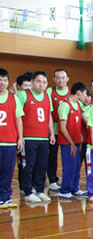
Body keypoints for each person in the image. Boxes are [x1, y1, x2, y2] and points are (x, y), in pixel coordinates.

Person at [17, 71, 55, 203]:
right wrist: (20, 137)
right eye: (38, 81)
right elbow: (18, 117)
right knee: (28, 166)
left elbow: (49, 115)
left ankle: (39, 190)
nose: (41, 85)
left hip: (43, 138)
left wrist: (51, 133)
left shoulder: (47, 96)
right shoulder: (23, 95)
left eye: (44, 82)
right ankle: (27, 191)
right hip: (28, 138)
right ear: (32, 82)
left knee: (42, 165)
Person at [57, 82, 90, 199]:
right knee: (69, 167)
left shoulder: (78, 106)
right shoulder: (65, 105)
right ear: (78, 92)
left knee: (76, 167)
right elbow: (62, 127)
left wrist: (79, 137)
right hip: (67, 143)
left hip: (76, 142)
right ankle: (65, 191)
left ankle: (74, 188)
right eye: (85, 94)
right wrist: (71, 143)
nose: (86, 97)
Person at [0, 68, 24, 209]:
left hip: (9, 141)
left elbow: (18, 119)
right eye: (0, 80)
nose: (2, 83)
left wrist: (20, 138)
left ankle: (5, 197)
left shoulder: (13, 98)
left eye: (4, 80)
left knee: (7, 171)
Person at [46, 68, 70, 191]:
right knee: (52, 156)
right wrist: (50, 131)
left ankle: (68, 179)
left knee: (68, 156)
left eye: (62, 77)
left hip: (67, 130)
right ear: (54, 79)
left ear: (67, 79)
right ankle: (52, 179)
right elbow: (48, 111)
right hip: (53, 129)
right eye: (58, 78)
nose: (60, 80)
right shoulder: (50, 91)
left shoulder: (71, 92)